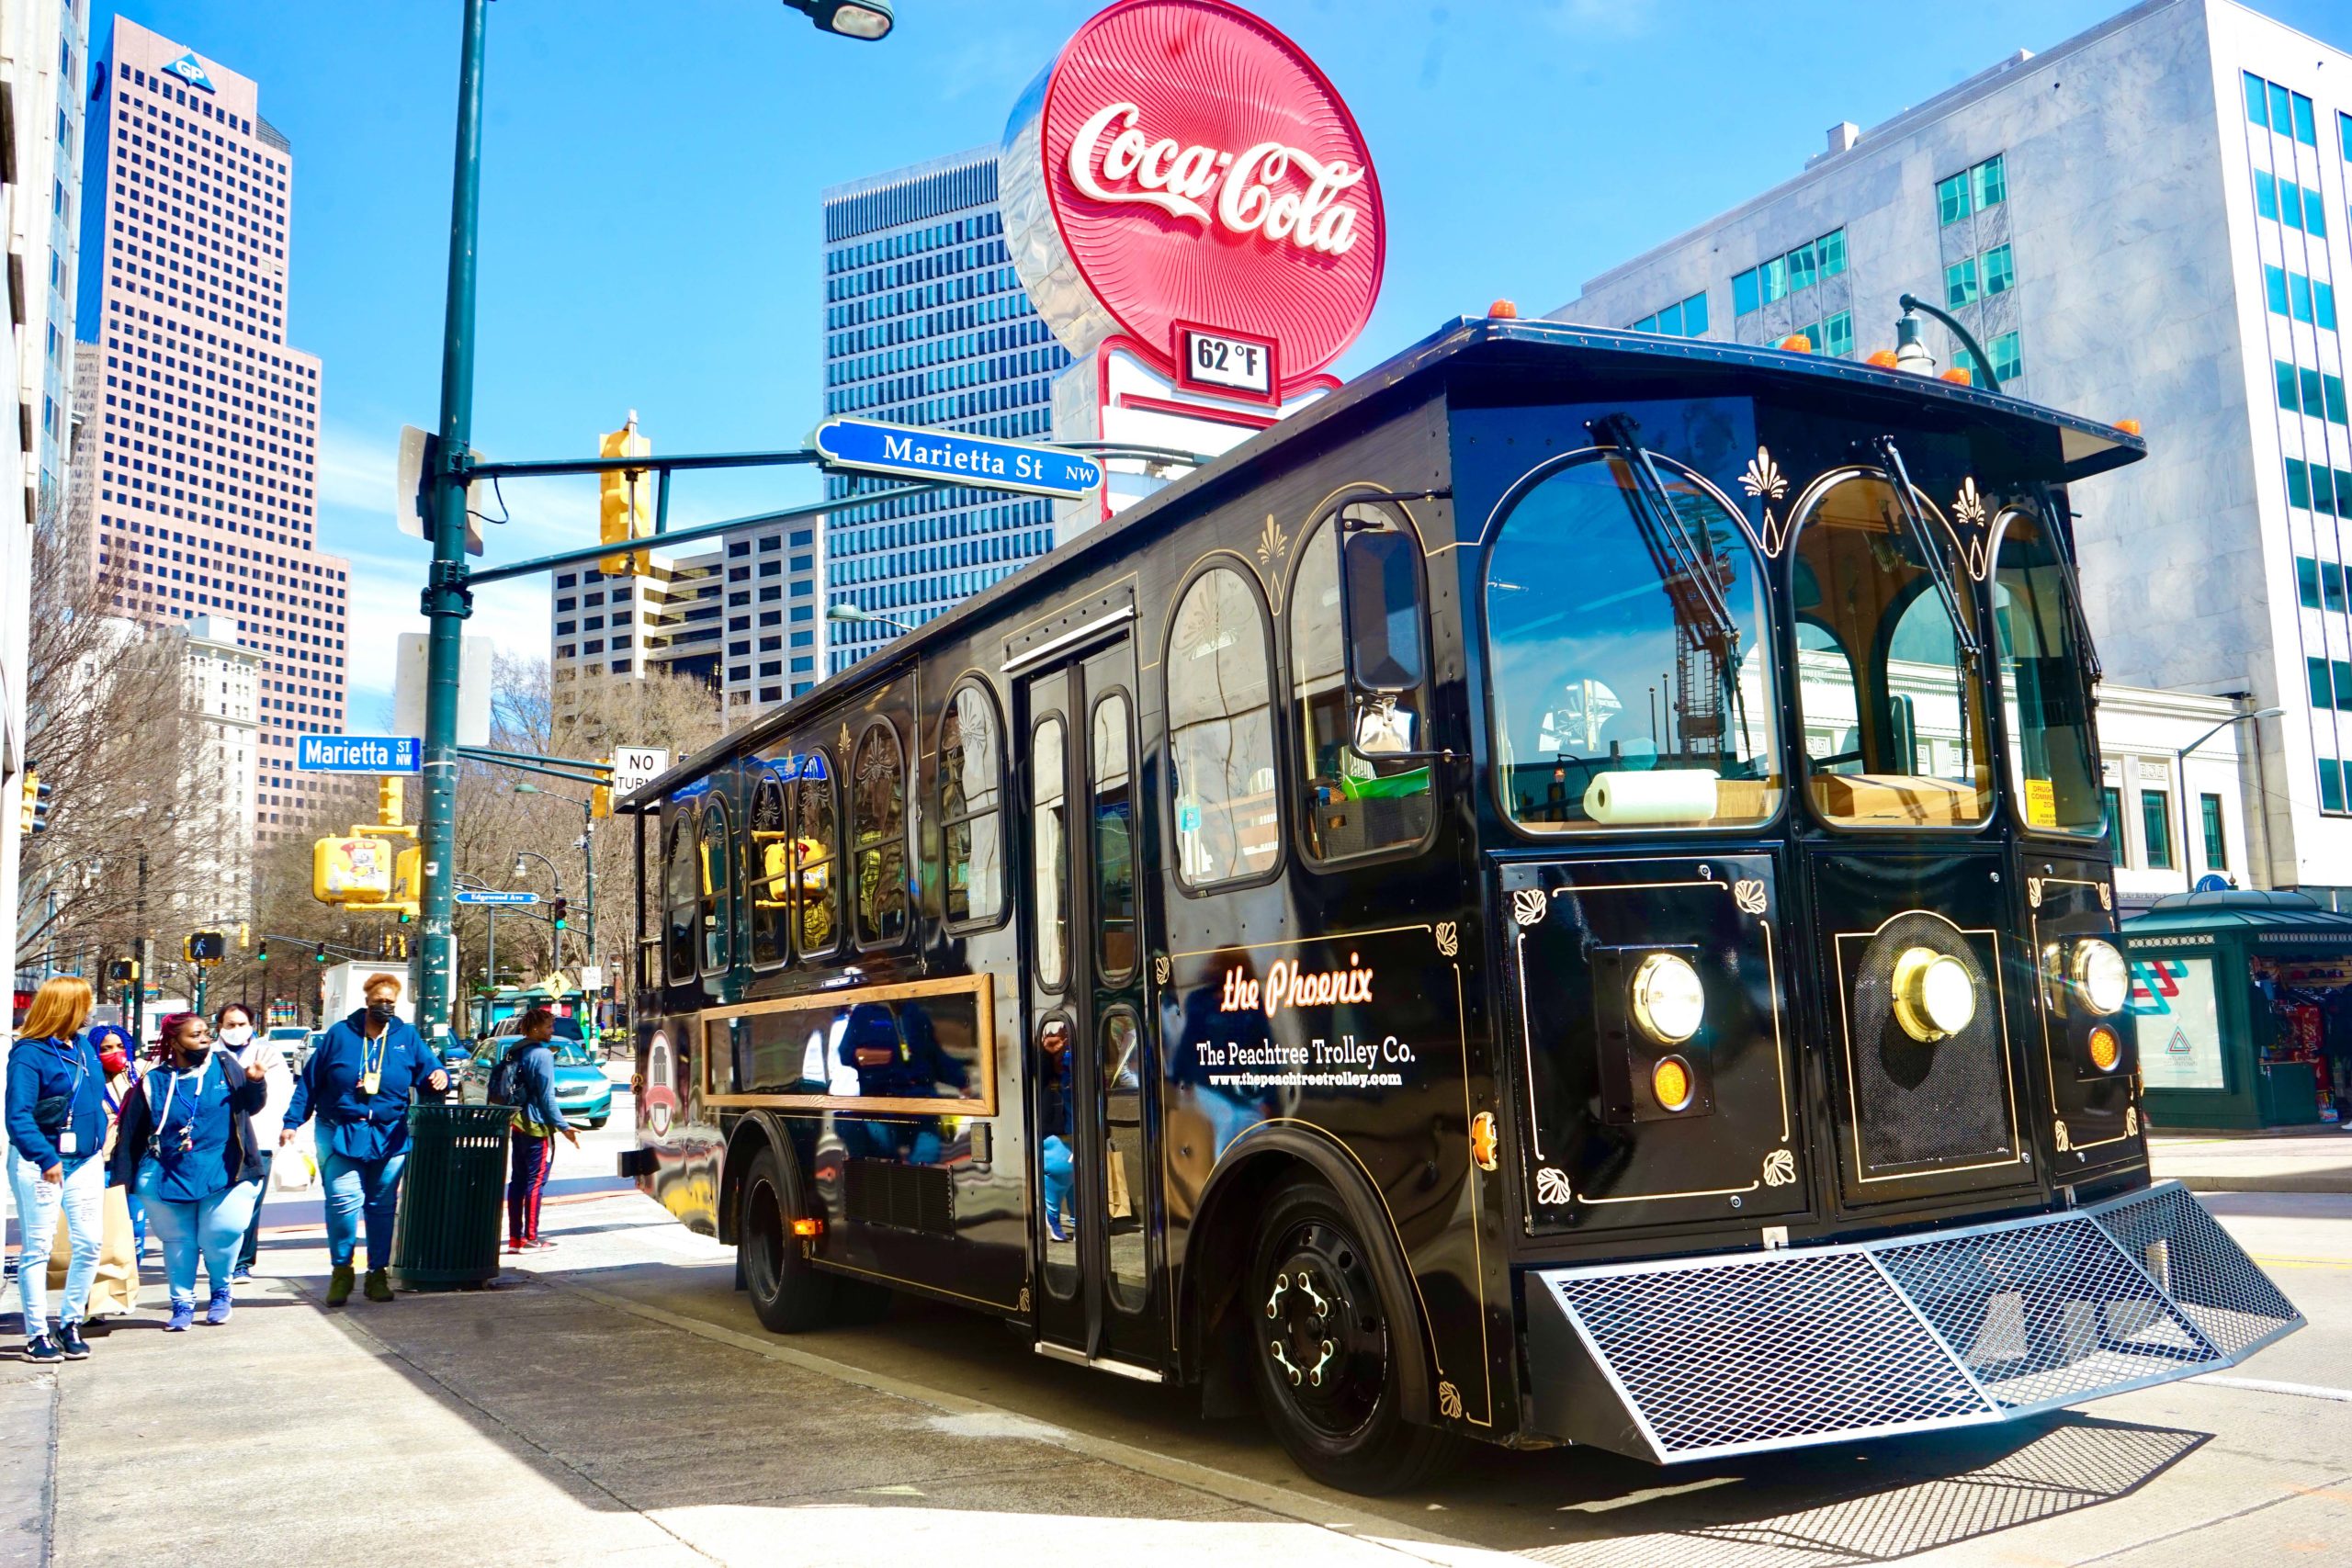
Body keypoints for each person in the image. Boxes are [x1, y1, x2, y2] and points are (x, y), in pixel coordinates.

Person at [280, 973, 448, 1305]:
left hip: (389, 1133)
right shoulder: (340, 1035)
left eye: (391, 1002)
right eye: (378, 1002)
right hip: (339, 1128)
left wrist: (438, 1075)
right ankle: (342, 1271)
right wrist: (292, 1121)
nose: (384, 1007)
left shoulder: (407, 1036)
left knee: (382, 1206)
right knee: (343, 1203)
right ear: (366, 1002)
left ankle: (377, 1274)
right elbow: (310, 1082)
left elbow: (430, 1072)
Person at [107, 1012, 268, 1330]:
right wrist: (120, 1185)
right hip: (169, 1172)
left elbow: (251, 1105)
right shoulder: (154, 1081)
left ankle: (221, 1292)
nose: (205, 1040)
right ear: (174, 1041)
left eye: (206, 1033)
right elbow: (131, 1135)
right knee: (178, 1241)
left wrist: (255, 1081)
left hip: (226, 1170)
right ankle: (182, 1302)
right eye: (195, 1036)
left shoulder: (224, 1066)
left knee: (221, 1232)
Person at [5, 977, 109, 1361]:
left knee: (89, 1243)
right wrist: (45, 1158)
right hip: (41, 1164)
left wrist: (99, 1136)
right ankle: (36, 1334)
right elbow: (17, 1115)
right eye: (84, 1004)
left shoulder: (82, 1047)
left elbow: (91, 1099)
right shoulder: (28, 1055)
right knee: (39, 1248)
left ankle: (70, 1323)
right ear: (65, 1007)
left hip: (84, 1160)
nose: (89, 1011)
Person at [46, 1023, 142, 1323]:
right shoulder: (87, 1080)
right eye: (105, 1048)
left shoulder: (137, 1078)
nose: (114, 1053)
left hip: (131, 1164)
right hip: (98, 1163)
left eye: (118, 1046)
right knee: (93, 1236)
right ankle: (89, 1301)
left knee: (132, 1234)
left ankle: (117, 1291)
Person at [212, 1004, 291, 1280]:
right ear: (219, 1026)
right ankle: (220, 1257)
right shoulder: (211, 1055)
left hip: (259, 1139)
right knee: (220, 1203)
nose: (236, 1030)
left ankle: (242, 1262)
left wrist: (284, 1128)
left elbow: (282, 1094)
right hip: (220, 1140)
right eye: (230, 1024)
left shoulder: (268, 1053)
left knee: (251, 1203)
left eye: (242, 1024)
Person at [491, 1008, 578, 1252]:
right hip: (537, 1126)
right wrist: (564, 1126)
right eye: (549, 1027)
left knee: (517, 1181)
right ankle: (530, 1237)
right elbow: (547, 1097)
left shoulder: (516, 1049)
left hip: (517, 1122)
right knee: (535, 1181)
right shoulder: (542, 1055)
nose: (552, 1031)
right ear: (537, 1028)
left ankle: (515, 1239)